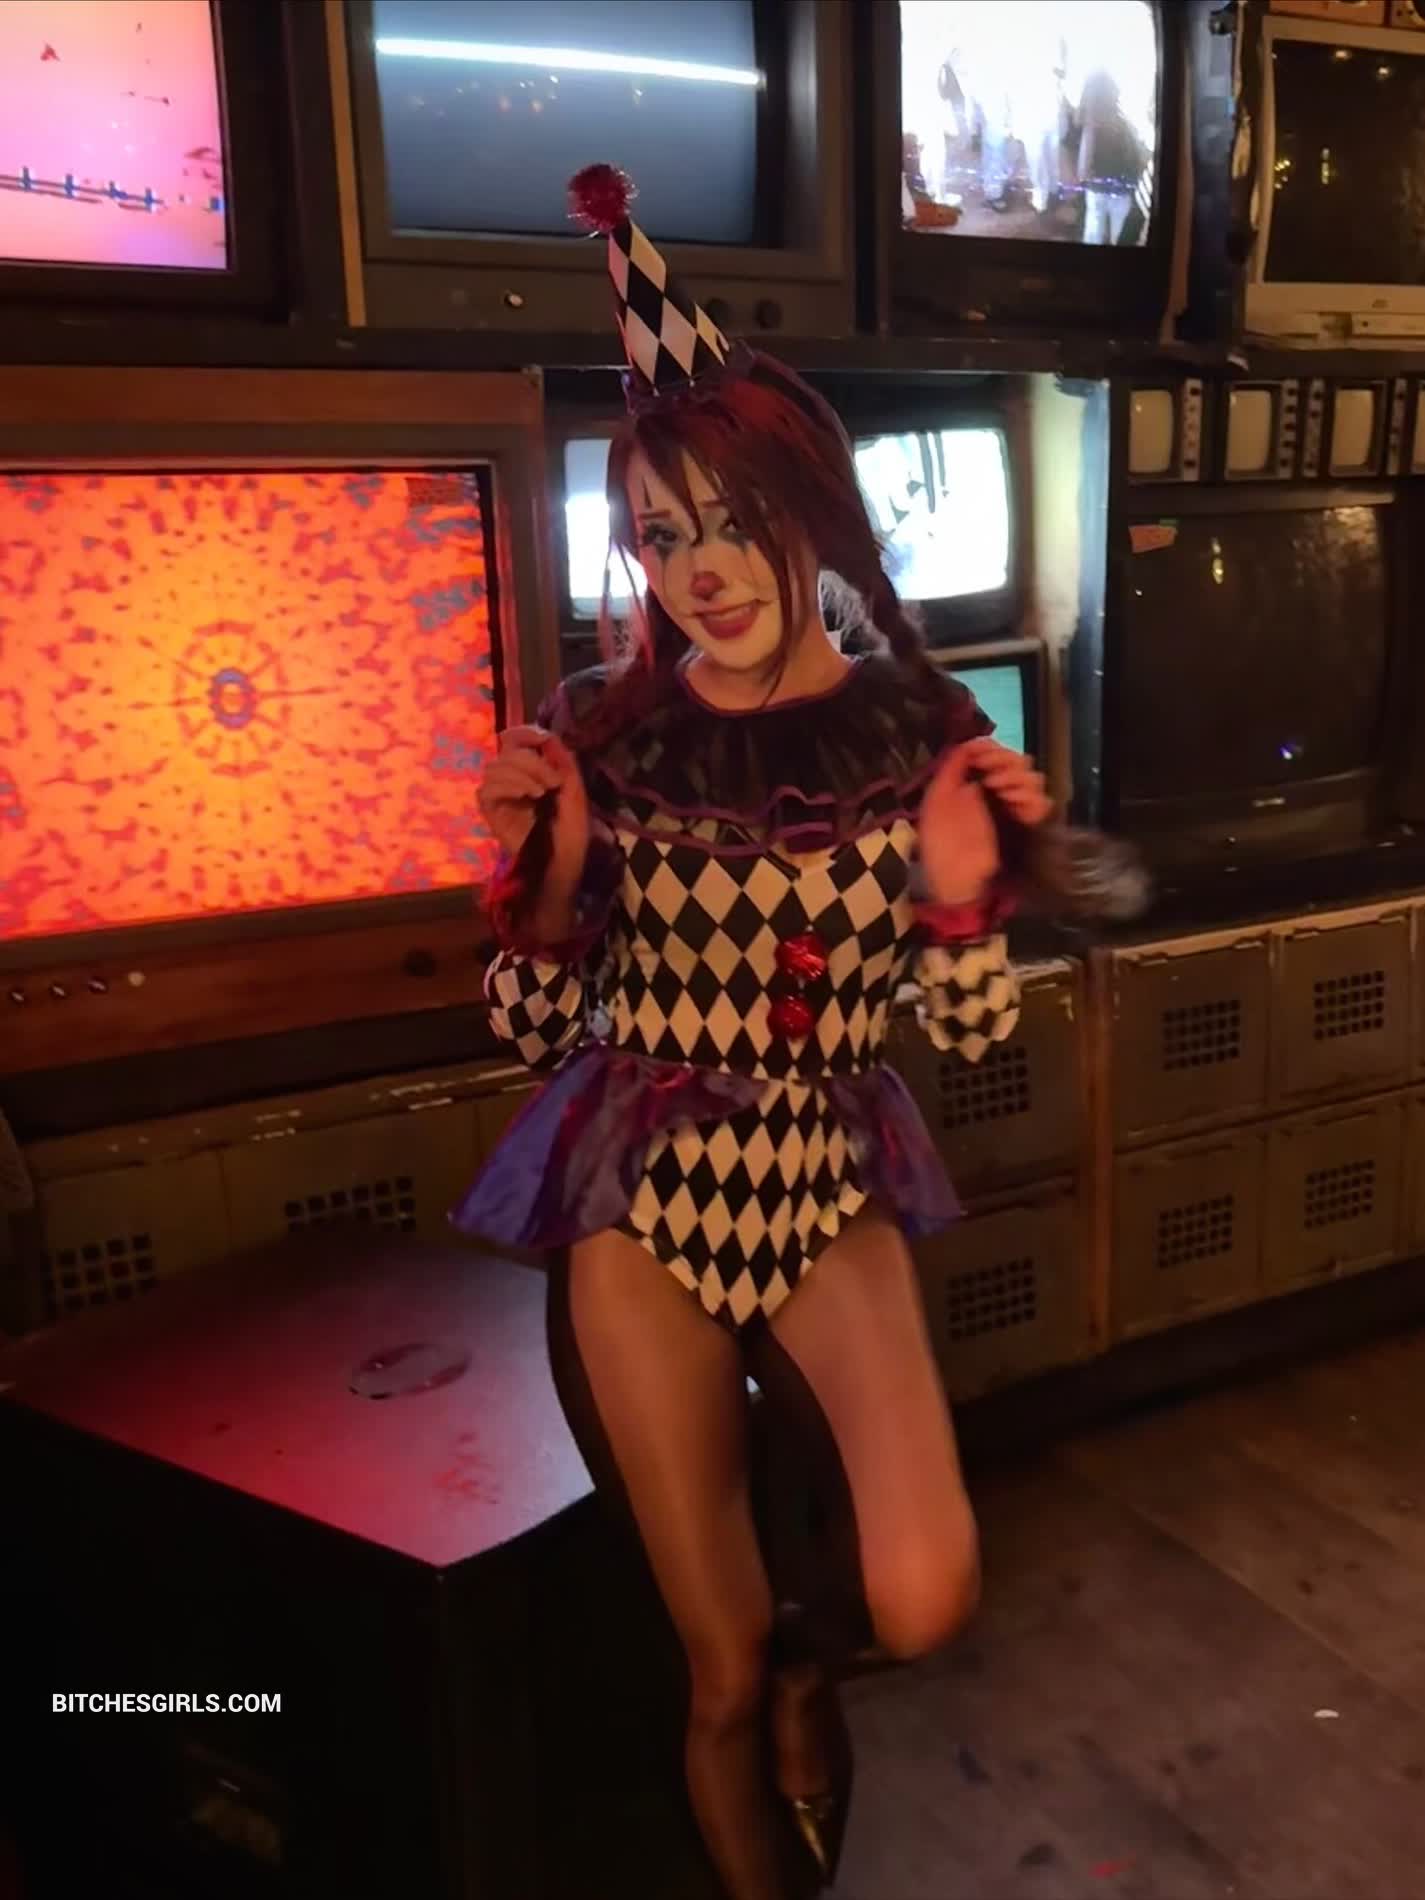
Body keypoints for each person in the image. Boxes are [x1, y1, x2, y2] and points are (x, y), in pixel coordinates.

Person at [452, 165, 1129, 1900]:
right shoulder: (602, 731)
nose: (700, 570)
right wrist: (546, 881)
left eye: (732, 520)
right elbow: (531, 1029)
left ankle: (820, 1671)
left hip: (823, 1167)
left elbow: (968, 1033)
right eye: (662, 536)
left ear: (811, 511)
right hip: (643, 1185)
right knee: (717, 1666)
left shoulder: (913, 729)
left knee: (921, 1594)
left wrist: (963, 901)